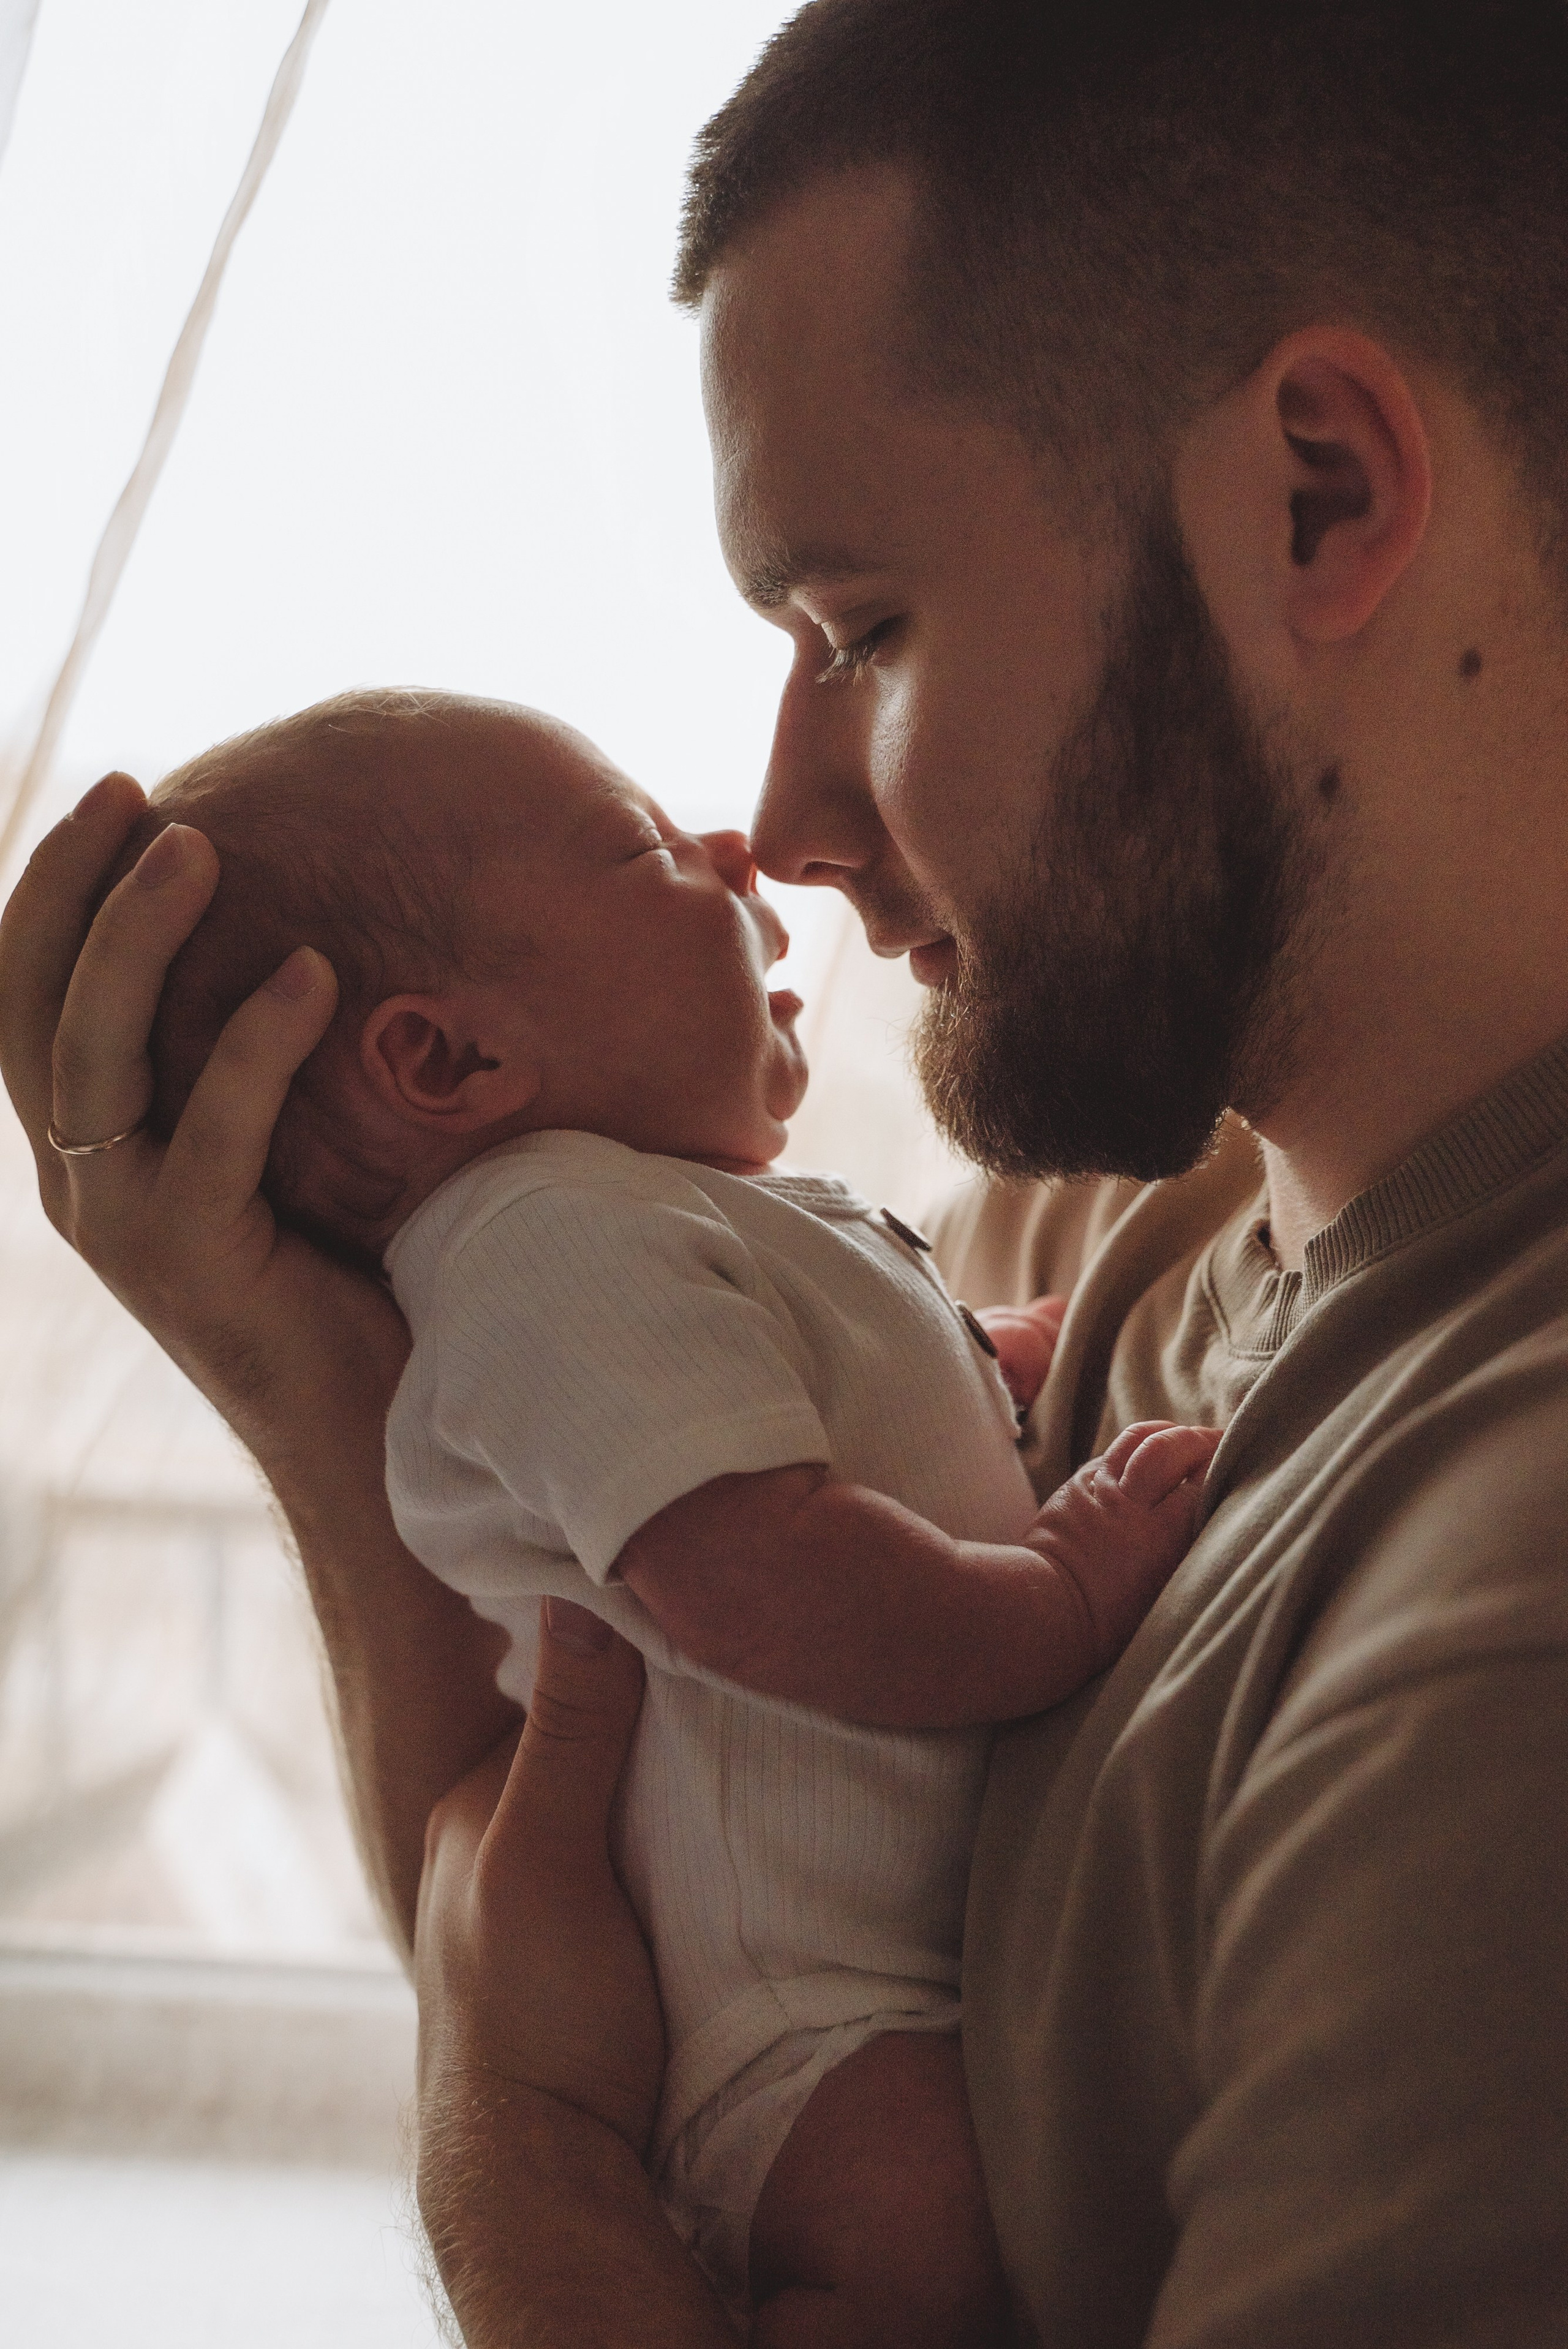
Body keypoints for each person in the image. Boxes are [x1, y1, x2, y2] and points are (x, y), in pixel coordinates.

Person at [5, 0, 1568, 2341]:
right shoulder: (1127, 1239)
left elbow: (554, 2065)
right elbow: (595, 1850)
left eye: (865, 630)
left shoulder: (1499, 1645)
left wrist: (521, 2168)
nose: (797, 827)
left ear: (1318, 494)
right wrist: (313, 1393)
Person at [116, 687, 1213, 2342]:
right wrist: (1057, 1586)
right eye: (641, 847)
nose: (733, 841)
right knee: (939, 2243)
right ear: (452, 1055)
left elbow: (837, 1406)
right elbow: (746, 1568)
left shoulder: (655, 1224)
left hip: (866, 1979)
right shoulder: (546, 1245)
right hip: (808, 2028)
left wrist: (996, 1363)